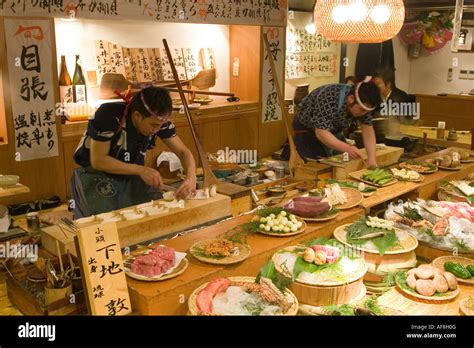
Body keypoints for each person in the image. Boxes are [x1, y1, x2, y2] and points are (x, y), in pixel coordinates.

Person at [71, 86, 197, 218]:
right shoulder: (109, 115)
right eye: (153, 125)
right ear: (137, 116)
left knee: (151, 215)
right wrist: (141, 170)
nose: (156, 130)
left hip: (132, 174)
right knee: (106, 222)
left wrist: (191, 176)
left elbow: (183, 152)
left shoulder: (159, 120)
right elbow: (98, 161)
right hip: (95, 175)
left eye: (160, 126)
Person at [292, 79, 382, 168]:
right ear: (351, 99)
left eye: (366, 111)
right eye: (362, 110)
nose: (364, 114)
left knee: (341, 164)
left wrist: (372, 160)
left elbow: (368, 130)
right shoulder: (329, 96)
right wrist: (346, 148)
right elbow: (321, 132)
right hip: (307, 130)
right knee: (317, 167)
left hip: (331, 132)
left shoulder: (363, 104)